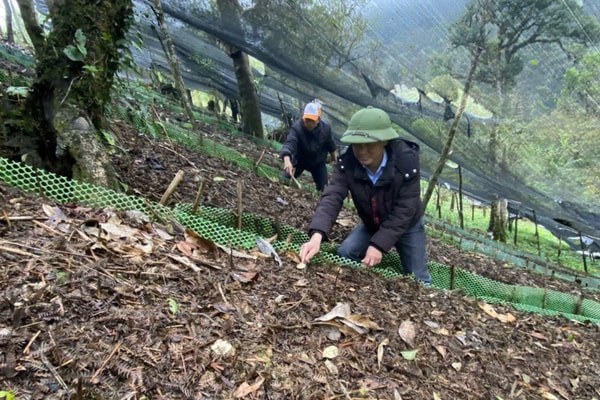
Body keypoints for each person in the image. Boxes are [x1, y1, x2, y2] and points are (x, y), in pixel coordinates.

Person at [299, 106, 432, 284]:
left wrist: (378, 245)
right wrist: (317, 236)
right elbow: (332, 197)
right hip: (373, 223)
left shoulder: (406, 164)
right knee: (345, 253)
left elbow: (405, 210)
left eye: (369, 144)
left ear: (384, 141)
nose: (362, 151)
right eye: (357, 145)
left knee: (419, 279)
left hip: (408, 225)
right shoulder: (348, 164)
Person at [280, 101, 338, 192]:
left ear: (318, 119)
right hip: (300, 160)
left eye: (312, 120)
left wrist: (337, 163)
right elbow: (289, 144)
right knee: (283, 180)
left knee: (324, 190)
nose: (309, 123)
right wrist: (287, 161)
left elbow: (332, 147)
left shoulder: (326, 128)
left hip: (318, 163)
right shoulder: (297, 127)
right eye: (307, 119)